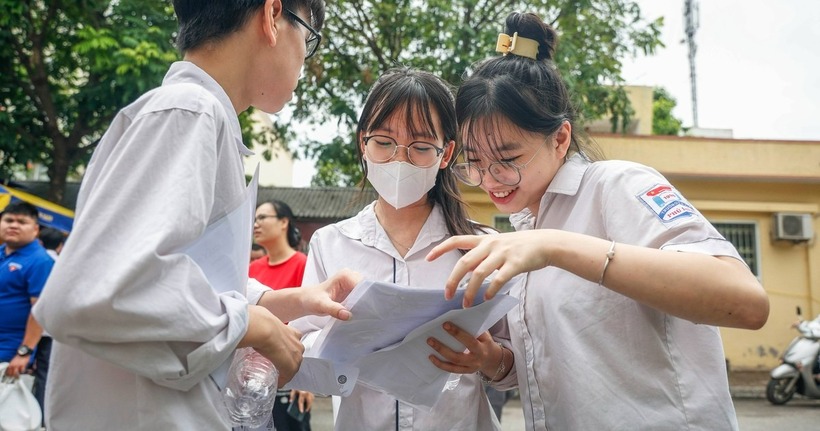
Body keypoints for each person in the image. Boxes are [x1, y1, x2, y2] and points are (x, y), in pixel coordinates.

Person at [425, 12, 770, 430]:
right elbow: (552, 367)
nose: (489, 179)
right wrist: (492, 361)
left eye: (507, 160)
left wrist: (555, 246)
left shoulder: (617, 185)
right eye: (474, 162)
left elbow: (746, 302)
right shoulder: (526, 228)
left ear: (561, 138)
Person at [31, 1, 359, 429]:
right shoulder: (190, 112)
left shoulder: (197, 114)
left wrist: (282, 302)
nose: (304, 58)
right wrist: (251, 324)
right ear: (272, 16)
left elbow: (186, 272)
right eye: (309, 38)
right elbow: (94, 291)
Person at [290, 67, 505, 430]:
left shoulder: (481, 246)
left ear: (447, 152)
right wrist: (340, 343)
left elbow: (515, 361)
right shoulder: (331, 243)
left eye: (421, 147)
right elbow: (299, 350)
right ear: (363, 142)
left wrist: (489, 359)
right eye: (384, 142)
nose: (399, 160)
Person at [250, 199, 313, 431]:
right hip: (251, 382)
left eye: (262, 217)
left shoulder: (302, 265)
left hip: (288, 379)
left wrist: (306, 380)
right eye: (254, 218)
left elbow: (312, 323)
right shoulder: (252, 270)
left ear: (284, 222)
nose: (256, 224)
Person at [1, 202, 54, 389]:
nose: (13, 225)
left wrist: (24, 352)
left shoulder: (40, 261)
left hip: (9, 351)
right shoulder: (2, 254)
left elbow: (39, 310)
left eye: (22, 222)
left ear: (35, 229)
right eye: (8, 220)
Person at [30, 226, 66, 422]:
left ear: (39, 240)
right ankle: (39, 414)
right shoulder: (62, 265)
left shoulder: (36, 260)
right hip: (49, 331)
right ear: (60, 246)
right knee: (44, 373)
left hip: (28, 329)